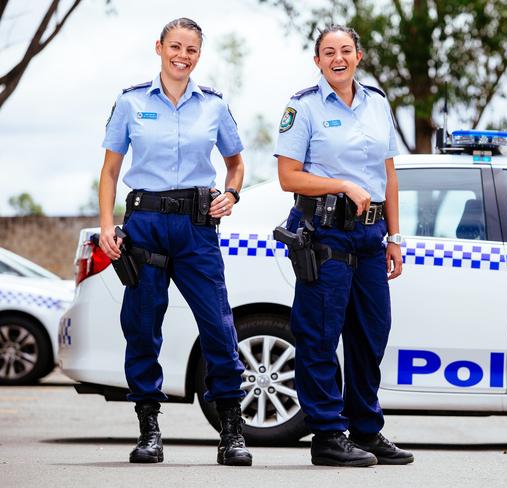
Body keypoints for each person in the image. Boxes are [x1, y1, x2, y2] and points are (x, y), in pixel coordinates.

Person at [97, 17, 252, 466]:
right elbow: (109, 172)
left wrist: (232, 193)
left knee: (219, 326)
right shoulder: (130, 103)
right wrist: (108, 225)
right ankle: (149, 428)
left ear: (199, 55)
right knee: (143, 325)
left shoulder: (215, 106)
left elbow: (236, 163)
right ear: (159, 47)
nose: (183, 56)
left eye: (192, 50)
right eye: (176, 47)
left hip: (197, 227)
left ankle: (231, 430)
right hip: (144, 223)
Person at [274, 24, 414, 467]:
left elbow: (389, 176)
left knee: (371, 334)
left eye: (346, 50)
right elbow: (288, 176)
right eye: (328, 51)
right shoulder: (304, 107)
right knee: (319, 335)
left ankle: (367, 431)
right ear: (317, 61)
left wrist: (394, 236)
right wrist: (342, 185)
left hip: (372, 237)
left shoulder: (377, 104)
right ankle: (328, 435)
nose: (338, 57)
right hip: (325, 233)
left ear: (358, 55)